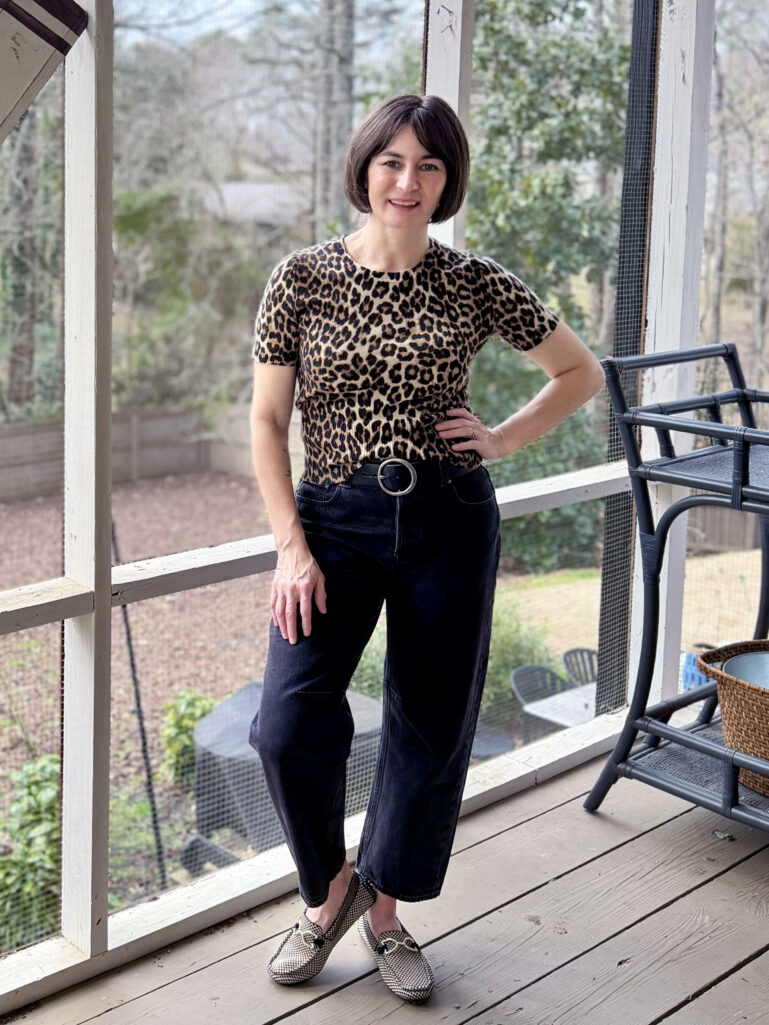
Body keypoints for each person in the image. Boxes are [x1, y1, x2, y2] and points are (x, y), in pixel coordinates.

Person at [249, 93, 604, 1003]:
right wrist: (292, 547)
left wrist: (502, 438)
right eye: (392, 162)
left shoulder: (474, 280)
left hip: (446, 516)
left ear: (447, 181)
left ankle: (386, 913)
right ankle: (329, 894)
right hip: (330, 521)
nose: (408, 181)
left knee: (431, 722)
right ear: (365, 168)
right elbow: (266, 418)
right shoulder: (300, 278)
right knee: (286, 721)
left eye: (430, 166)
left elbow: (579, 372)